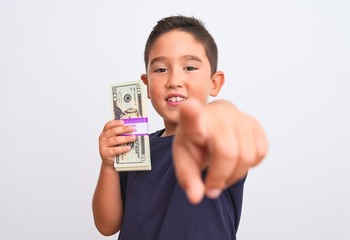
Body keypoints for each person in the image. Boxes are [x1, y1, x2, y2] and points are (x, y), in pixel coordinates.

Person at [92, 15, 268, 240]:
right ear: (145, 85)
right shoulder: (136, 146)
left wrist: (224, 111)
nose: (174, 80)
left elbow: (225, 118)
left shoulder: (211, 138)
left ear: (214, 83)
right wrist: (108, 165)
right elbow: (107, 226)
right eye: (161, 70)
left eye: (190, 67)